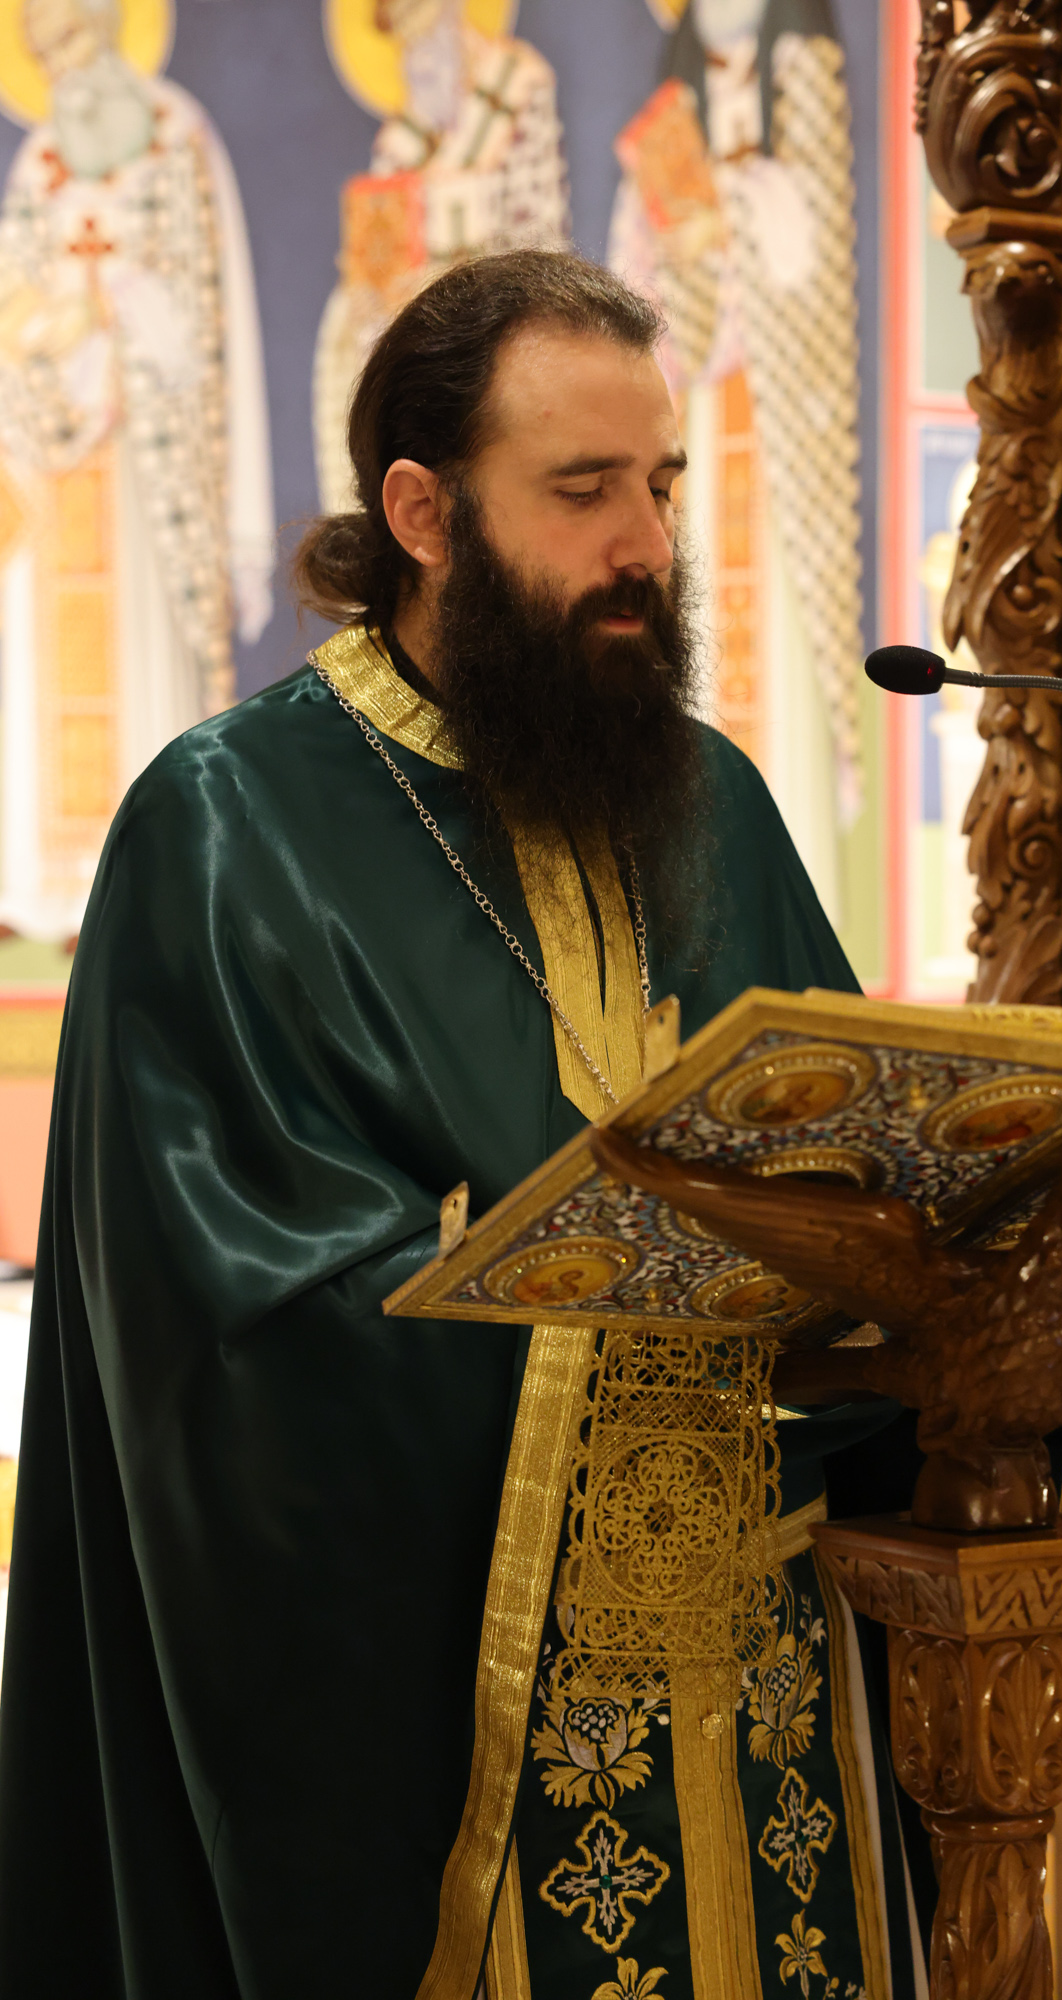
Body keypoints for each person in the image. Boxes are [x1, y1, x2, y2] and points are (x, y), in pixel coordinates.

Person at [0, 251, 923, 2000]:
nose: (643, 544)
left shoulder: (707, 802)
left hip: (752, 1652)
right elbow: (237, 1335)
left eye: (658, 485)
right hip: (447, 1705)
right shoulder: (230, 825)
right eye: (581, 492)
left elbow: (859, 1164)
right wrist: (636, 1332)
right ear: (422, 514)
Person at [0, 0, 274, 943]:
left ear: (111, 28)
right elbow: (13, 291)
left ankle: (152, 878)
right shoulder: (40, 160)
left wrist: (109, 308)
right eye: (44, 53)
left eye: (73, 39)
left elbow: (204, 308)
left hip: (150, 459)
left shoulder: (173, 136)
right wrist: (41, 329)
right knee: (46, 653)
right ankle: (43, 884)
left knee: (143, 648)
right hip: (56, 456)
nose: (64, 70)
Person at [609, 0, 864, 924]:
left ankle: (800, 887)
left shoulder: (803, 83)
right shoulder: (669, 121)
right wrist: (680, 246)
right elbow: (629, 292)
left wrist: (737, 208)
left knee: (780, 653)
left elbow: (809, 260)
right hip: (694, 427)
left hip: (782, 422)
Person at [314, 0, 567, 514]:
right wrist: (370, 296)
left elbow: (538, 245)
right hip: (414, 349)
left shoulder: (515, 85)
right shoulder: (401, 140)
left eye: (423, 26)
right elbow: (380, 259)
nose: (416, 54)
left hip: (491, 335)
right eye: (404, 37)